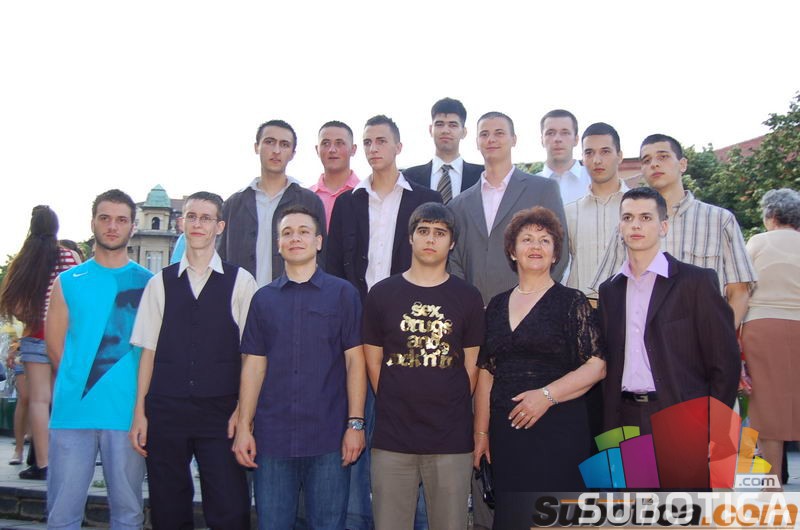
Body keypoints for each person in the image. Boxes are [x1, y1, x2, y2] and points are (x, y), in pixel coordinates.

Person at [327, 115, 441, 529]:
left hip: (410, 334)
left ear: (398, 147)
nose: (374, 148)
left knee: (414, 438)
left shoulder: (425, 199)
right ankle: (359, 521)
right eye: (368, 142)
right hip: (357, 334)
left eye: (381, 141)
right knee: (357, 428)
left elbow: (436, 265)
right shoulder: (348, 203)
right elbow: (334, 269)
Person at [129, 191, 257, 528]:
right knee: (167, 506)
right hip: (166, 408)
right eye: (191, 216)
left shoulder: (241, 282)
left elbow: (251, 356)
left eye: (206, 218)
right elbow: (148, 351)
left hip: (220, 410)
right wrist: (140, 411)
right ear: (181, 222)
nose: (197, 224)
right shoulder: (159, 283)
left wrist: (243, 412)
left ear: (220, 226)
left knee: (230, 507)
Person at [234, 206, 366, 529]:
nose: (295, 238)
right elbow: (253, 366)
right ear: (278, 244)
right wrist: (243, 427)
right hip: (273, 440)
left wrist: (356, 424)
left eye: (304, 232)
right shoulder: (263, 300)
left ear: (318, 241)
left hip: (329, 438)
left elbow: (355, 362)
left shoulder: (343, 294)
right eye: (287, 233)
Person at [473, 207, 604, 515]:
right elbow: (486, 373)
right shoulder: (495, 306)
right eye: (527, 239)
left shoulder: (572, 301)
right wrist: (481, 434)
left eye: (545, 240)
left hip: (558, 429)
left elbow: (597, 365)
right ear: (512, 251)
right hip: (506, 433)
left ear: (555, 254)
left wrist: (546, 396)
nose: (536, 246)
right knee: (513, 516)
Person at [363, 203, 484, 529]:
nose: (431, 239)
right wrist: (397, 401)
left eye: (440, 233)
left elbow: (472, 365)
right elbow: (373, 361)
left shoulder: (468, 297)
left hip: (450, 440)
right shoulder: (381, 294)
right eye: (423, 231)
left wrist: (448, 404)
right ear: (411, 238)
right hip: (393, 439)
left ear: (452, 243)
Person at [45, 189, 152, 528]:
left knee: (128, 513)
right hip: (72, 412)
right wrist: (78, 381)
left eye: (121, 220)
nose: (112, 226)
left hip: (126, 415)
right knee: (62, 513)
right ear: (92, 222)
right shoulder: (68, 281)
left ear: (133, 226)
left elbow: (153, 351)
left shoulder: (149, 284)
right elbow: (54, 345)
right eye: (105, 218)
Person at [597, 187, 740, 434]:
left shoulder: (696, 282)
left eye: (646, 217)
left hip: (683, 417)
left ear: (663, 226)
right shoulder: (610, 290)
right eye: (628, 218)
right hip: (624, 419)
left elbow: (724, 361)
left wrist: (714, 426)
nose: (635, 225)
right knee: (633, 465)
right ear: (620, 227)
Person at [591, 134, 756, 328]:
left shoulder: (719, 220)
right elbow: (603, 292)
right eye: (646, 160)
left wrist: (720, 339)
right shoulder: (627, 226)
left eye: (663, 157)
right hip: (640, 338)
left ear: (682, 164)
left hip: (701, 334)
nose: (654, 164)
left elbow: (739, 291)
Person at [448, 111, 568, 305]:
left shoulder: (543, 189)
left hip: (530, 307)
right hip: (474, 310)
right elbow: (454, 261)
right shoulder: (459, 204)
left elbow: (560, 250)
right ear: (477, 142)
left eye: (499, 133)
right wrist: (466, 302)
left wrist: (536, 300)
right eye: (484, 134)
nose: (491, 139)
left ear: (514, 139)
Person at [0, 205, 80, 480]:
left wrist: (33, 317)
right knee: (61, 398)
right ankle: (64, 459)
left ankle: (43, 463)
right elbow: (78, 295)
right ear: (56, 227)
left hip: (34, 334)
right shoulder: (68, 256)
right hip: (64, 334)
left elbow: (13, 303)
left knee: (38, 400)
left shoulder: (24, 260)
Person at [218, 119, 327, 287]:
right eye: (269, 142)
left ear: (292, 153)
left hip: (294, 297)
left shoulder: (309, 201)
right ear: (256, 147)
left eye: (284, 144)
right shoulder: (234, 205)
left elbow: (322, 259)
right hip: (242, 298)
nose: (276, 151)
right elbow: (221, 260)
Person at [741, 188, 800, 490]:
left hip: (762, 326)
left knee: (766, 405)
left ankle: (772, 481)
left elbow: (742, 286)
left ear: (771, 215)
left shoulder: (758, 242)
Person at [565, 122, 629, 296]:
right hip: (581, 307)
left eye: (605, 151)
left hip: (629, 305)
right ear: (582, 158)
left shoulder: (640, 210)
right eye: (589, 153)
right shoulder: (569, 213)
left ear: (620, 156)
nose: (597, 160)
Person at [403, 97, 484, 203]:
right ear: (430, 130)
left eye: (453, 125)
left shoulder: (482, 176)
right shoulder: (409, 178)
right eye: (439, 124)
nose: (445, 130)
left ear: (464, 132)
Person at [311, 120, 360, 230]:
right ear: (317, 149)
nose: (332, 150)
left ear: (353, 149)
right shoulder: (305, 198)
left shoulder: (365, 194)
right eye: (326, 143)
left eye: (339, 143)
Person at [537, 109, 591, 205]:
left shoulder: (593, 179)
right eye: (550, 133)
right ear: (542, 140)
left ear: (576, 139)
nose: (557, 139)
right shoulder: (530, 186)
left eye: (565, 133)